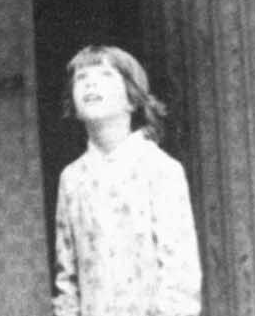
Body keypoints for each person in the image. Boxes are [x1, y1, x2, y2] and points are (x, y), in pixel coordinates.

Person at [53, 44, 201, 316]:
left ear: (132, 100)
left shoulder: (161, 170)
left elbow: (180, 276)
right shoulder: (72, 180)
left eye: (105, 76)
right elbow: (67, 280)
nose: (91, 84)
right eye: (82, 78)